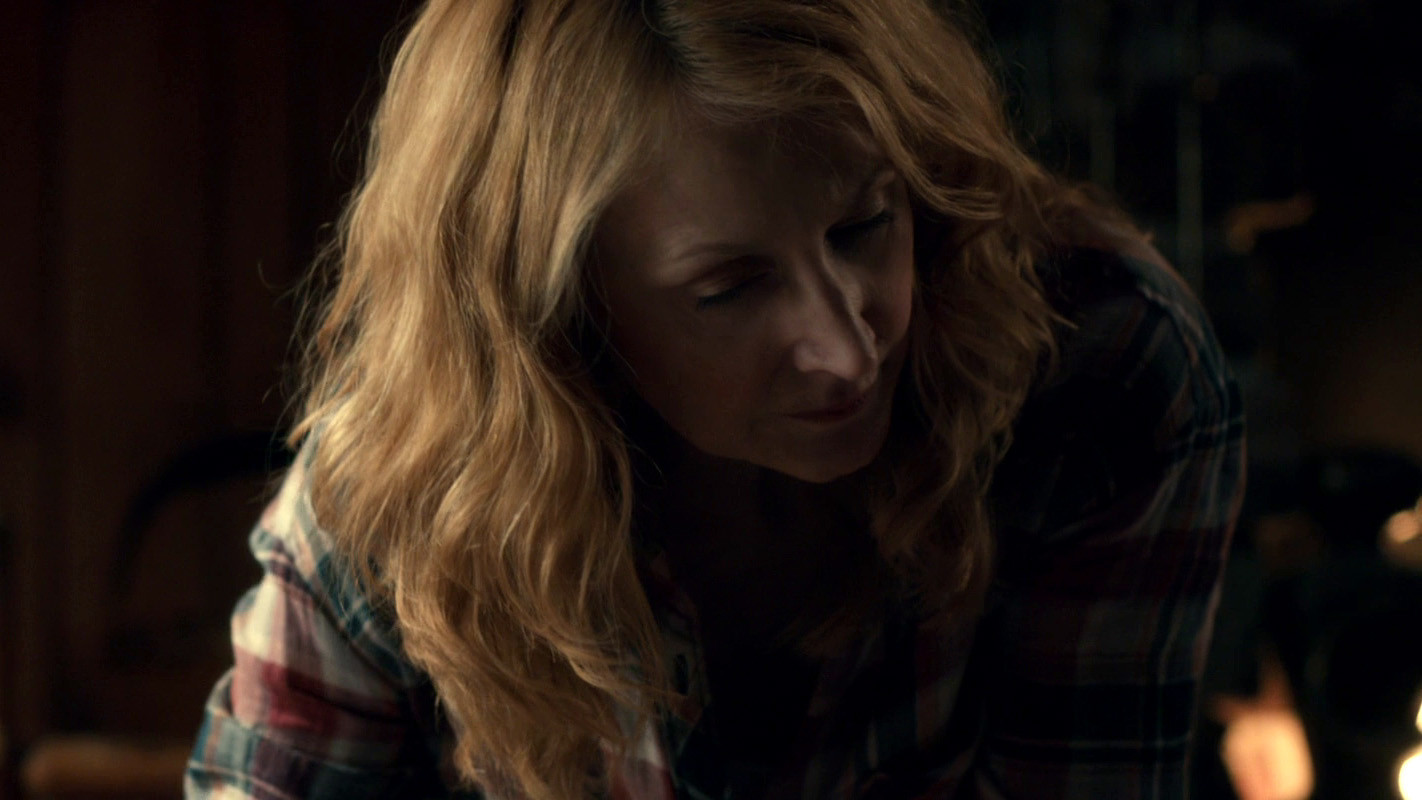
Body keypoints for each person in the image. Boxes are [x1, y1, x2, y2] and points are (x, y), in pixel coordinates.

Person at [185, 0, 1245, 798]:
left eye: (864, 227)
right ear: (564, 314)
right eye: (730, 288)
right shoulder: (408, 487)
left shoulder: (1099, 363)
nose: (847, 350)